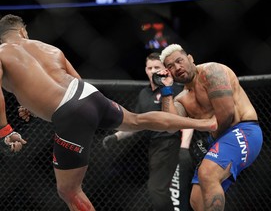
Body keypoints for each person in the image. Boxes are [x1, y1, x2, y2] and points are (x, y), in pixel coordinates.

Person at [0, 14, 217, 211]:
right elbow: (75, 84)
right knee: (136, 119)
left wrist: (5, 130)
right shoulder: (49, 48)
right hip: (88, 95)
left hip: (69, 112)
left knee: (69, 191)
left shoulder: (2, 52)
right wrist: (34, 105)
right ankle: (205, 123)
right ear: (22, 32)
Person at [156, 44, 263, 211]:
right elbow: (170, 125)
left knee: (207, 173)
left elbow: (226, 114)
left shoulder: (211, 72)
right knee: (197, 200)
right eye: (171, 66)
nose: (177, 67)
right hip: (219, 140)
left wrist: (209, 141)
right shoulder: (182, 98)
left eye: (180, 61)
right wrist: (166, 89)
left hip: (243, 130)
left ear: (190, 58)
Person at [103, 52, 194, 211]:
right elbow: (137, 123)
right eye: (150, 67)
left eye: (156, 67)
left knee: (171, 192)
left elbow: (186, 119)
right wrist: (116, 136)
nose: (153, 71)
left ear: (164, 70)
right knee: (159, 193)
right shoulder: (144, 94)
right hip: (155, 148)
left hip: (173, 144)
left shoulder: (174, 89)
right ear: (145, 70)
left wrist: (184, 147)